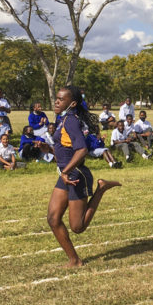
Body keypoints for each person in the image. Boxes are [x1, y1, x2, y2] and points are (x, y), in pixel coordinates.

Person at [47, 85, 121, 267]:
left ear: (72, 103)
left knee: (77, 227)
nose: (57, 101)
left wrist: (65, 171)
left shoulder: (71, 120)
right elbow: (65, 150)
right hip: (66, 174)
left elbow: (82, 150)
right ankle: (75, 260)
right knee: (53, 219)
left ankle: (101, 189)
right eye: (56, 98)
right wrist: (48, 149)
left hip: (75, 174)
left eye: (61, 99)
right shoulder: (62, 119)